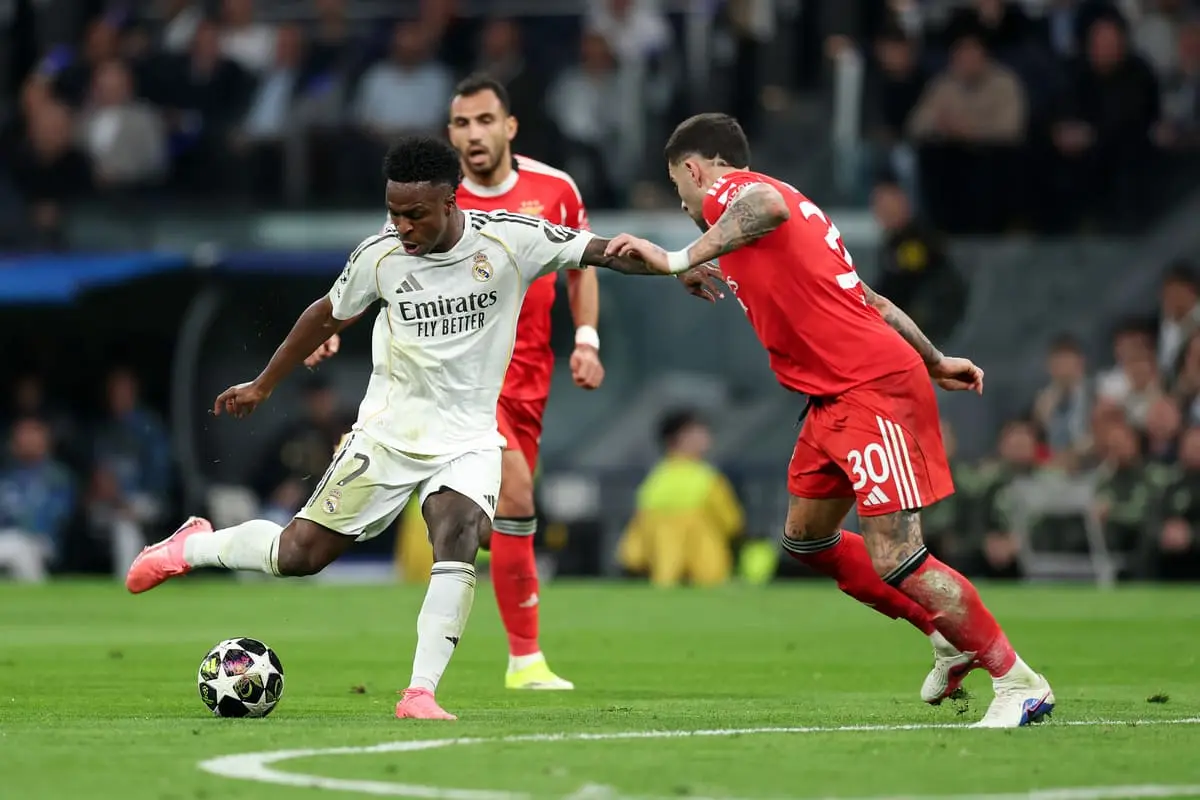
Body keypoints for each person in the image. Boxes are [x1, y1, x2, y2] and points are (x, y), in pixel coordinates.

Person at [124, 135, 720, 720]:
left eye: (415, 215)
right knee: (300, 555)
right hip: (387, 436)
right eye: (393, 213)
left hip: (468, 438)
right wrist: (262, 384)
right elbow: (323, 314)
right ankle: (192, 545)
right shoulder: (378, 256)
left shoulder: (512, 240)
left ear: (451, 202)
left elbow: (603, 252)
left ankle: (419, 693)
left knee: (459, 531)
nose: (403, 226)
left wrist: (675, 266)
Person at [600, 112, 1054, 728]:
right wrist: (937, 358)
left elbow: (761, 204)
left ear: (693, 168)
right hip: (830, 397)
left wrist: (679, 258)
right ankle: (947, 635)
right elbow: (869, 298)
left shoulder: (746, 193)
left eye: (680, 188)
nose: (683, 202)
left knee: (898, 553)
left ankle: (1018, 681)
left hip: (869, 388)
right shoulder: (781, 222)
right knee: (807, 539)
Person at [307, 74, 605, 691]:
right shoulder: (431, 197)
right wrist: (331, 329)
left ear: (509, 126)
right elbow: (383, 273)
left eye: (484, 121)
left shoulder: (556, 189)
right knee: (517, 495)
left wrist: (586, 338)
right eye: (462, 124)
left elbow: (581, 264)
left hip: (526, 374)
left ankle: (451, 519)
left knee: (509, 511)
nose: (474, 134)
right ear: (450, 135)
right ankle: (524, 660)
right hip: (452, 378)